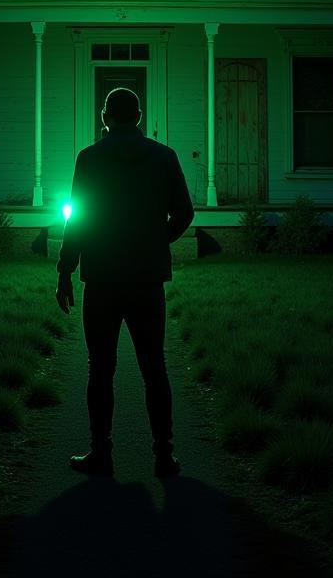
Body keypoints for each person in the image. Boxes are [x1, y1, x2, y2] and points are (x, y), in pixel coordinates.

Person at [55, 87, 194, 479]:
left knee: (100, 368)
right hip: (147, 279)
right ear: (139, 116)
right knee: (155, 367)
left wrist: (65, 270)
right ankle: (163, 456)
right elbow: (185, 212)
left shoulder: (90, 158)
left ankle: (102, 453)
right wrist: (156, 241)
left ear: (104, 116)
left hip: (101, 279)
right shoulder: (164, 157)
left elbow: (78, 219)